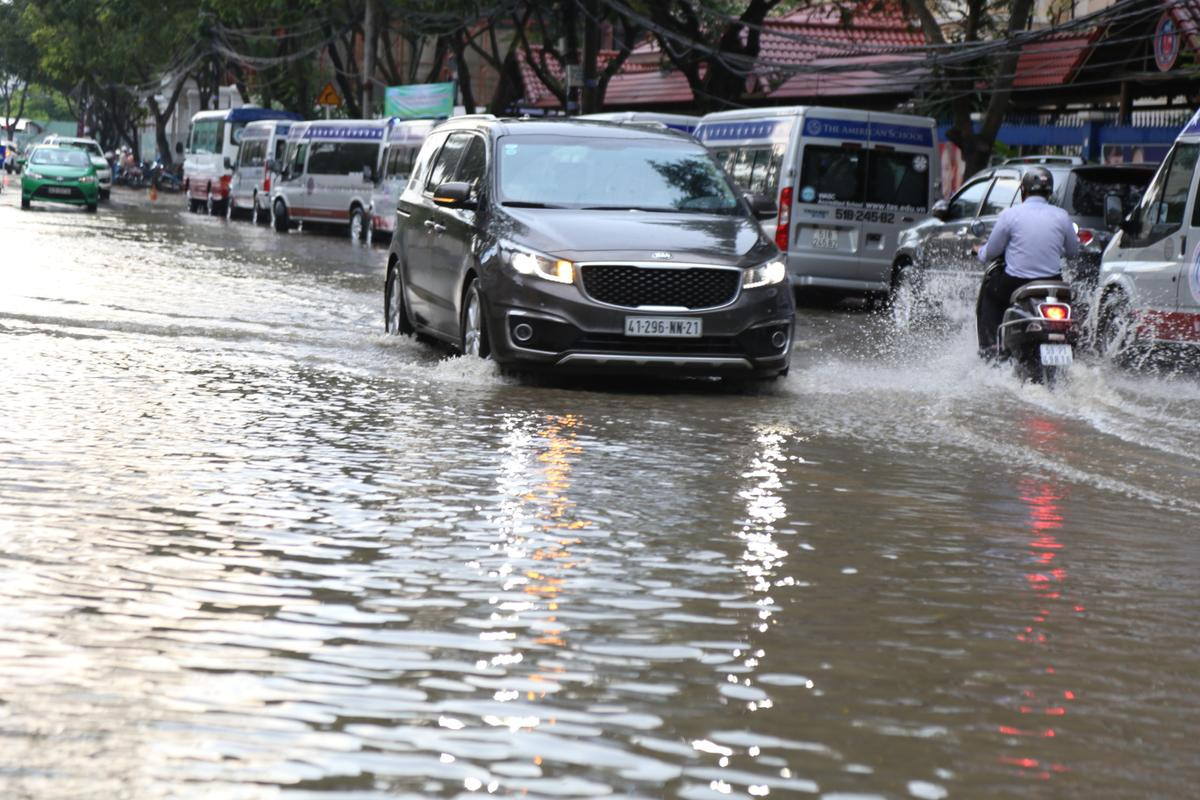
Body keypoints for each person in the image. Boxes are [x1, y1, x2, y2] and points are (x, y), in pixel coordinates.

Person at [975, 167, 1079, 357]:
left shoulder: (1011, 215)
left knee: (990, 292)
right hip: (1053, 283)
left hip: (1016, 283)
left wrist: (980, 253)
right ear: (1049, 193)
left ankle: (990, 350)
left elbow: (991, 251)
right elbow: (1073, 251)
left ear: (1023, 191)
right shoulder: (1062, 216)